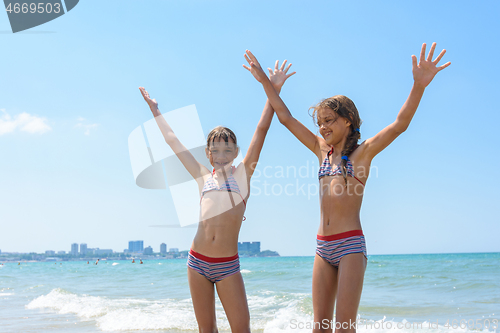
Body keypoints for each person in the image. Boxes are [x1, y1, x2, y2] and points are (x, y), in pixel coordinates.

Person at [244, 43, 450, 332]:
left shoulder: (362, 154)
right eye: (319, 123)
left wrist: (419, 85)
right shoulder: (321, 150)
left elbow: (399, 124)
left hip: (350, 246)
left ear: (348, 121)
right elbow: (285, 117)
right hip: (322, 246)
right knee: (320, 327)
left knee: (344, 327)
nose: (323, 127)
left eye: (329, 121)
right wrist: (266, 83)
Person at [139, 62, 294, 332]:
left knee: (241, 328)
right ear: (208, 154)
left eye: (227, 150)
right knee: (206, 329)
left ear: (235, 153)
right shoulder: (202, 176)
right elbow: (172, 140)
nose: (221, 156)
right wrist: (155, 110)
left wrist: (272, 89)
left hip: (227, 266)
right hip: (196, 261)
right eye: (215, 151)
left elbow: (261, 131)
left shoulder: (243, 175)